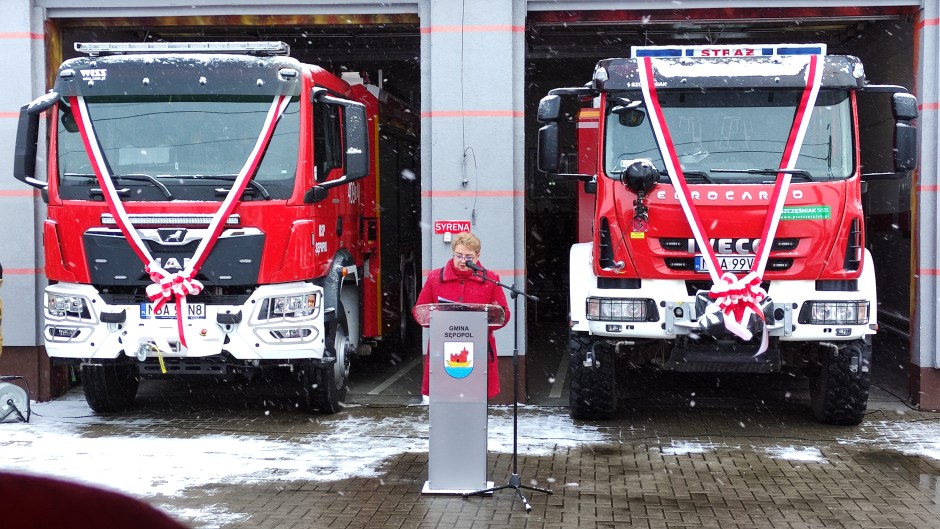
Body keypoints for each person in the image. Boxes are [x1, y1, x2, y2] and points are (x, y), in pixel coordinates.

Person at [413, 231, 509, 402]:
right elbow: (419, 311)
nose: (463, 261)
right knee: (445, 402)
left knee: (475, 403)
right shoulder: (435, 278)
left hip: (479, 352)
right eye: (459, 255)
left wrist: (480, 320)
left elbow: (504, 314)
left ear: (478, 257)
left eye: (469, 257)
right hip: (443, 351)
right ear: (453, 253)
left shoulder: (490, 279)